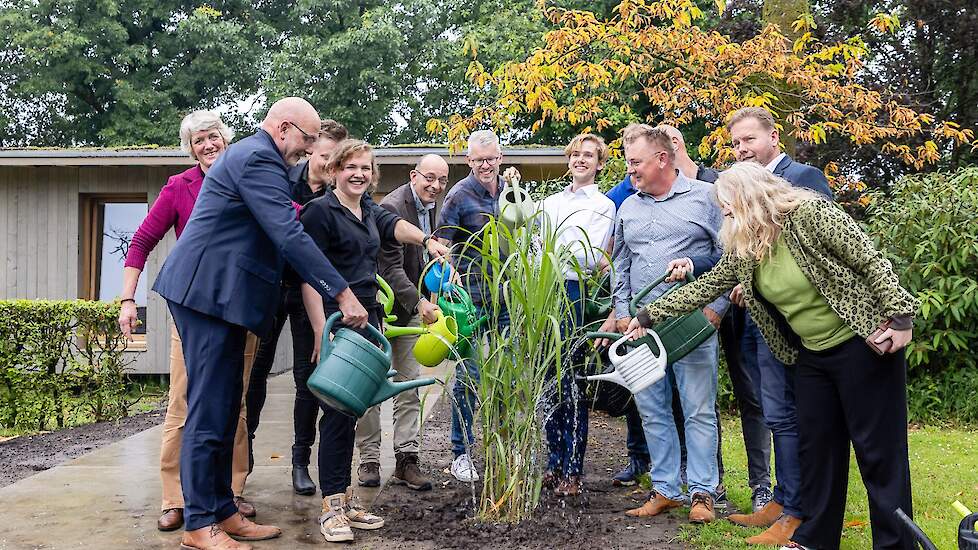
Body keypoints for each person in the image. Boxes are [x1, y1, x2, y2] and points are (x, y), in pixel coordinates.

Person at [629, 161, 917, 550]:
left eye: (728, 204)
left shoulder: (810, 214)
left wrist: (900, 317)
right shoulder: (749, 244)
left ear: (751, 197)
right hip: (812, 354)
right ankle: (815, 539)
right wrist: (648, 315)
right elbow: (710, 283)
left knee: (879, 454)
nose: (724, 213)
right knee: (817, 452)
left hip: (861, 344)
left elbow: (869, 260)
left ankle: (896, 544)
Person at [152, 97, 361, 550]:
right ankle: (198, 524)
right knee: (207, 410)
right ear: (284, 128)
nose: (307, 151)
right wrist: (342, 294)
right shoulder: (256, 159)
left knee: (228, 405)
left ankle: (223, 510)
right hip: (204, 294)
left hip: (224, 298)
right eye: (307, 141)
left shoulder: (261, 158)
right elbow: (287, 233)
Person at [299, 140, 450, 543]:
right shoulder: (320, 212)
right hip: (337, 323)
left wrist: (427, 241)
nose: (359, 174)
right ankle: (332, 508)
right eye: (351, 167)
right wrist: (321, 332)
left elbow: (393, 226)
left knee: (350, 414)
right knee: (335, 415)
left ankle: (346, 500)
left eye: (366, 168)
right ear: (334, 170)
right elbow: (307, 273)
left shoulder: (367, 209)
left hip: (369, 321)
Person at [117, 110, 259, 532]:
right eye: (199, 140)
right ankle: (174, 497)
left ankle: (229, 494)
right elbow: (142, 240)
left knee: (235, 403)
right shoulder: (180, 188)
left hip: (239, 308)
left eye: (213, 136)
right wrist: (128, 298)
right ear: (190, 147)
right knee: (183, 401)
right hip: (195, 313)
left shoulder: (247, 178)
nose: (208, 144)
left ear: (225, 138)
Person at [719, 107, 834, 546]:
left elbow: (825, 251)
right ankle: (781, 500)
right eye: (735, 144)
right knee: (774, 411)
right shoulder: (737, 185)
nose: (742, 149)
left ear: (774, 137)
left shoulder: (804, 177)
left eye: (749, 139)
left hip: (796, 324)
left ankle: (796, 511)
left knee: (790, 415)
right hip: (756, 318)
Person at [612, 125, 726, 524]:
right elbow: (620, 267)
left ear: (662, 159)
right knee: (653, 410)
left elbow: (729, 256)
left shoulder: (705, 199)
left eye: (636, 162)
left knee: (698, 410)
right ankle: (665, 490)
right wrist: (622, 312)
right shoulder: (628, 207)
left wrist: (719, 307)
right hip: (641, 330)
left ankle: (702, 493)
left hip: (692, 324)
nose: (631, 170)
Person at [658, 123, 774, 514]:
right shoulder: (653, 193)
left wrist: (720, 303)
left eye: (673, 139)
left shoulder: (716, 183)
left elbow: (730, 250)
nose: (740, 149)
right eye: (736, 143)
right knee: (697, 397)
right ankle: (711, 483)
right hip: (695, 311)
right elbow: (727, 257)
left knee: (752, 396)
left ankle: (764, 485)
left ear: (680, 145)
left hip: (736, 310)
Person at [244, 119, 348, 497]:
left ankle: (300, 461)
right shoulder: (283, 178)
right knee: (256, 372)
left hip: (313, 294)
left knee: (308, 377)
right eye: (323, 156)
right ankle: (247, 450)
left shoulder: (338, 196)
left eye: (336, 158)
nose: (328, 164)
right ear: (311, 149)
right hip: (271, 288)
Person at [354, 154, 449, 491]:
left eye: (442, 180)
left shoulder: (435, 208)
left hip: (412, 309)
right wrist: (420, 301)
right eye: (429, 178)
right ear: (414, 175)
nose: (435, 186)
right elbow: (390, 268)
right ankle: (368, 458)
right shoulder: (394, 207)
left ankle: (407, 460)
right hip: (381, 308)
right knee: (371, 386)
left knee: (408, 385)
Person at [434, 129, 518, 483]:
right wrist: (447, 273)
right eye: (479, 159)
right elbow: (440, 242)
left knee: (508, 375)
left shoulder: (510, 191)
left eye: (492, 158)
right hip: (473, 301)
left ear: (500, 157)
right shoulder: (458, 196)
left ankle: (504, 446)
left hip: (508, 300)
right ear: (469, 161)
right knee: (468, 377)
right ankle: (460, 453)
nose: (486, 165)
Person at [540, 133, 616, 497]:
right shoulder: (549, 203)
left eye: (588, 156)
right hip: (543, 291)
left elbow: (593, 257)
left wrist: (558, 252)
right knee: (547, 382)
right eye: (575, 155)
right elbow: (536, 246)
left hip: (574, 293)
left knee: (570, 382)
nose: (580, 160)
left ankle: (573, 470)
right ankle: (553, 465)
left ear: (599, 163)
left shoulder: (604, 206)